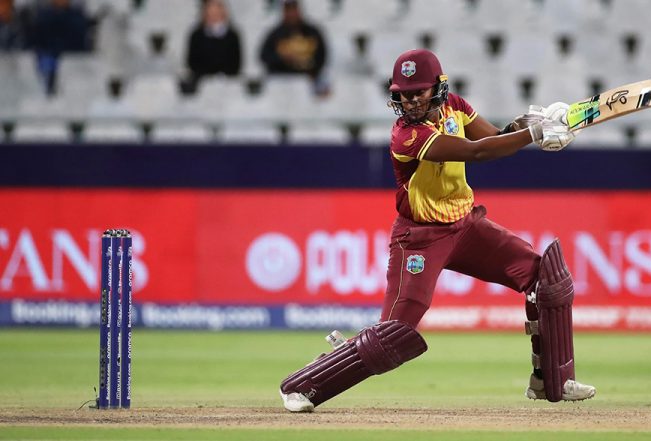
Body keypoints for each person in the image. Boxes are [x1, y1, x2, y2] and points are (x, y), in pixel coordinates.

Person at [279, 49, 596, 412]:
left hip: (466, 226)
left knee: (546, 278)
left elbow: (493, 137)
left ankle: (551, 381)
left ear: (438, 87)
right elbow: (476, 152)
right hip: (419, 238)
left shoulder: (456, 107)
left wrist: (526, 123)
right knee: (393, 336)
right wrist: (534, 134)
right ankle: (304, 385)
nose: (410, 101)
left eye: (418, 92)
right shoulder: (406, 136)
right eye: (403, 93)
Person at [259, 0, 328, 96]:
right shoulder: (275, 34)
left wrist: (312, 69)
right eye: (288, 11)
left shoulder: (312, 32)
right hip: (281, 81)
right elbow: (263, 56)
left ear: (299, 11)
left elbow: (322, 55)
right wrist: (282, 57)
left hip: (307, 81)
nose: (291, 14)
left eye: (293, 10)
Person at [29, 0, 93, 95]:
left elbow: (81, 43)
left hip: (73, 70)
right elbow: (37, 41)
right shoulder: (42, 17)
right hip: (47, 63)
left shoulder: (77, 16)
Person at [182, 0, 242, 94]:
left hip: (227, 86)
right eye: (210, 8)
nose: (214, 12)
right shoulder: (196, 35)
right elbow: (191, 62)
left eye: (217, 8)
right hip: (201, 86)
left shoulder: (232, 36)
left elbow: (236, 64)